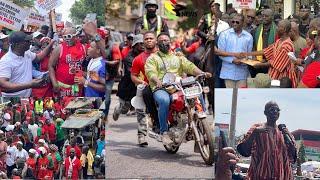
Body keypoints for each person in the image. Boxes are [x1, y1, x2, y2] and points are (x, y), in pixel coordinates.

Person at [145, 32, 211, 145]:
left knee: (197, 93)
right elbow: (150, 72)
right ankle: (164, 131)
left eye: (166, 40)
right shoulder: (153, 58)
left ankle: (201, 122)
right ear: (157, 43)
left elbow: (189, 66)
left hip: (178, 85)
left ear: (170, 42)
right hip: (161, 88)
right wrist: (157, 81)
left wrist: (202, 73)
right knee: (164, 100)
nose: (164, 43)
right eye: (161, 41)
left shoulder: (178, 56)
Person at [237, 101, 297, 179]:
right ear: (265, 113)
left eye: (277, 110)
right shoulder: (257, 128)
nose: (275, 111)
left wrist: (289, 141)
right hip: (260, 176)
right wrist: (254, 133)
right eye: (272, 109)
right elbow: (245, 151)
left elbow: (293, 157)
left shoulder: (284, 131)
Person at [246, 20, 299, 88]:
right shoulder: (279, 41)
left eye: (279, 26)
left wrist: (259, 64)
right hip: (274, 75)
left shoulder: (287, 45)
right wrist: (248, 53)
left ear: (284, 29)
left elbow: (276, 63)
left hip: (283, 79)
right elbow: (266, 51)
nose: (276, 28)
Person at [0, 31, 54, 97]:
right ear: (17, 44)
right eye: (27, 41)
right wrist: (29, 84)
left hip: (27, 96)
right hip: (12, 100)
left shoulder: (26, 53)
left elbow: (39, 57)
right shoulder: (6, 61)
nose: (30, 42)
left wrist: (51, 44)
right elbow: (3, 86)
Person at [131, 31, 159, 145]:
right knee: (141, 110)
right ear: (143, 42)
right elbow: (133, 75)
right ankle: (141, 135)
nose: (148, 40)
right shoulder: (137, 59)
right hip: (146, 88)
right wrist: (140, 81)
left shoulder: (164, 54)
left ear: (156, 40)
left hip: (165, 86)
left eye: (151, 38)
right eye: (146, 39)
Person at [113, 34, 145, 121]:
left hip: (140, 84)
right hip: (128, 86)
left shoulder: (145, 54)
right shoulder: (129, 58)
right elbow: (133, 73)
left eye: (143, 43)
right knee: (124, 109)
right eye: (141, 44)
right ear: (135, 45)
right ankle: (118, 109)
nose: (143, 46)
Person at [217, 13, 253, 88]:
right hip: (228, 72)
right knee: (230, 97)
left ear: (242, 23)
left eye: (237, 22)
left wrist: (242, 60)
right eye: (233, 22)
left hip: (242, 73)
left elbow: (249, 55)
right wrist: (232, 60)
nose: (234, 24)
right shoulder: (224, 35)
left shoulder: (248, 37)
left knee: (241, 97)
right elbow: (220, 53)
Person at [251, 9, 277, 77]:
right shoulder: (255, 31)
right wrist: (254, 58)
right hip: (256, 64)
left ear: (272, 17)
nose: (264, 18)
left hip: (270, 65)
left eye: (266, 16)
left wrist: (265, 60)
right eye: (263, 16)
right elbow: (253, 46)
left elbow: (277, 48)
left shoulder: (277, 31)